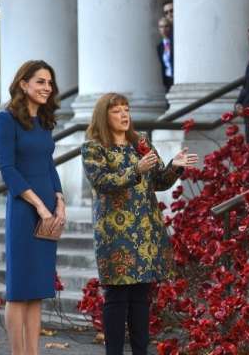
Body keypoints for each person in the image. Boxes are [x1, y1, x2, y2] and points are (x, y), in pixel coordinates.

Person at [81, 93, 198, 355]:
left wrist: (175, 167)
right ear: (104, 116)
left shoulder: (141, 144)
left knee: (141, 298)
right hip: (115, 234)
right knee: (117, 297)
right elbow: (102, 182)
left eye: (126, 109)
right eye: (116, 111)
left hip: (145, 231)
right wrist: (136, 170)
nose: (124, 115)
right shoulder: (94, 147)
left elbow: (158, 182)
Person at [0, 60, 66, 355]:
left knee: (37, 290)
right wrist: (39, 205)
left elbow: (49, 165)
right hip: (25, 210)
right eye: (40, 81)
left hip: (49, 208)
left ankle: (33, 353)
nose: (46, 88)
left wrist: (59, 201)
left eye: (49, 83)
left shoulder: (44, 121)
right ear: (23, 84)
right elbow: (8, 169)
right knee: (19, 290)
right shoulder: (5, 119)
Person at [157, 16, 174, 95]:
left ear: (170, 27)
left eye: (166, 26)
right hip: (167, 79)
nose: (163, 29)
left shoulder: (175, 43)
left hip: (176, 78)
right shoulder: (159, 47)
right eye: (161, 27)